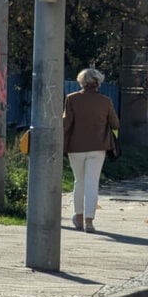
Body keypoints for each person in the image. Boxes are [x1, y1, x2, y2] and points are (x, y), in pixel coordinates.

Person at [63, 68, 120, 233]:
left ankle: (78, 217)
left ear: (81, 82)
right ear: (98, 83)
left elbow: (66, 124)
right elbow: (115, 124)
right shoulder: (106, 101)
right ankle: (89, 221)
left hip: (75, 146)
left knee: (78, 182)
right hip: (98, 146)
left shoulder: (71, 99)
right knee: (92, 183)